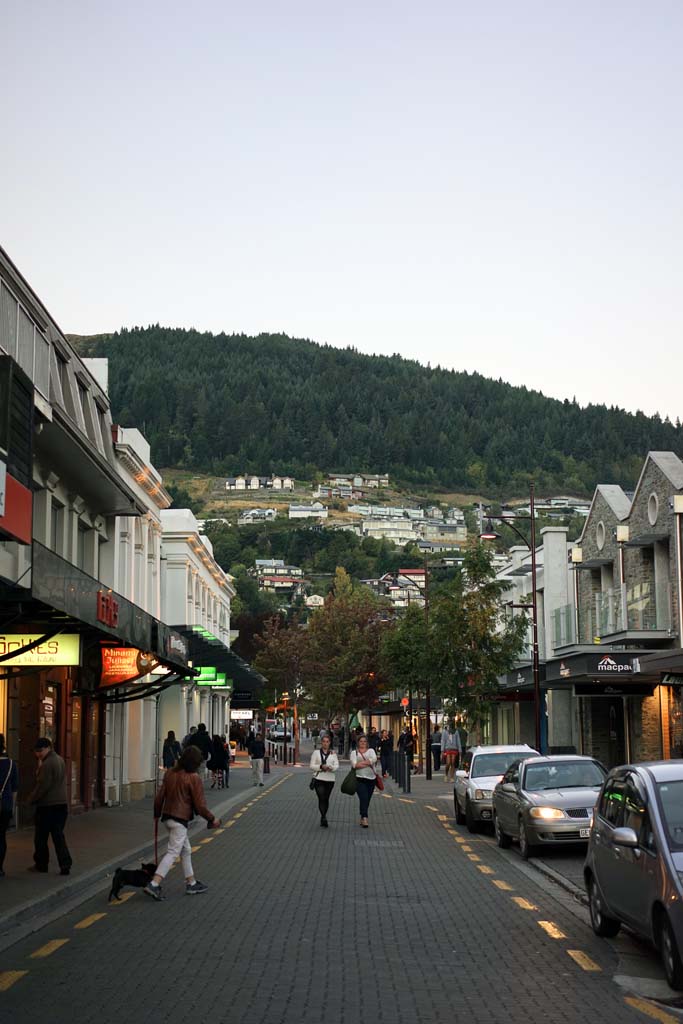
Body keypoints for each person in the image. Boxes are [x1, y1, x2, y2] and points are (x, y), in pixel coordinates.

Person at [146, 746, 220, 900]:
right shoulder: (193, 777)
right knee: (173, 852)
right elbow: (200, 806)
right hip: (180, 819)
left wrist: (156, 814)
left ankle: (191, 882)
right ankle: (154, 883)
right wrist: (212, 819)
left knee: (185, 850)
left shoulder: (170, 773)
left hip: (167, 817)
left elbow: (159, 797)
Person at [29, 738, 72, 876]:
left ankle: (41, 864)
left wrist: (30, 800)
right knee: (58, 836)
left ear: (48, 747)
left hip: (48, 806)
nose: (38, 754)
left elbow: (42, 786)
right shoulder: (59, 759)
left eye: (40, 751)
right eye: (36, 752)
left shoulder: (47, 764)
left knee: (40, 838)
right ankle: (65, 864)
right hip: (61, 805)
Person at [309, 732, 339, 827]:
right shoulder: (316, 753)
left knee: (326, 798)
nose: (325, 743)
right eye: (324, 742)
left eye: (327, 742)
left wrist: (331, 768)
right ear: (321, 743)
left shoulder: (333, 753)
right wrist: (321, 766)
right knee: (321, 797)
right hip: (319, 778)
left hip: (330, 779)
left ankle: (324, 815)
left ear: (330, 743)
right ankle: (323, 817)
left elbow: (337, 765)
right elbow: (311, 766)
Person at [350, 735, 378, 828]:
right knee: (364, 797)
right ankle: (365, 817)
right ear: (358, 742)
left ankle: (362, 816)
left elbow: (374, 759)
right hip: (359, 778)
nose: (362, 743)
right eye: (361, 741)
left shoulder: (371, 751)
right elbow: (354, 765)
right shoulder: (354, 753)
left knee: (367, 799)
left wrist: (360, 763)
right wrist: (367, 762)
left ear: (367, 743)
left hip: (371, 779)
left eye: (364, 741)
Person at [0, 734, 18, 878]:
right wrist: (12, 807)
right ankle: (0, 868)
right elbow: (15, 789)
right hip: (5, 806)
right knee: (1, 837)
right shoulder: (12, 764)